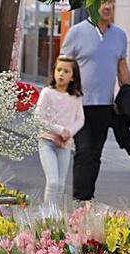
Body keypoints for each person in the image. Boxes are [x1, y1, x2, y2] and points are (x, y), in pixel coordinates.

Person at [60, 0, 129, 201]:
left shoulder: (119, 35)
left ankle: (88, 196)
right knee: (84, 151)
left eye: (110, 2)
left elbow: (122, 66)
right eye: (101, 2)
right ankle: (80, 199)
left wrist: (126, 96)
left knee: (96, 154)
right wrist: (61, 96)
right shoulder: (76, 32)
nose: (106, 6)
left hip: (105, 106)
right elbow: (62, 66)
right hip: (78, 104)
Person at [35, 57, 85, 206]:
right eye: (58, 70)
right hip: (47, 141)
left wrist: (69, 132)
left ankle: (54, 217)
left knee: (61, 185)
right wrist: (59, 130)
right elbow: (38, 116)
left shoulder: (75, 97)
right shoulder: (47, 93)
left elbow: (80, 119)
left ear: (73, 77)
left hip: (65, 144)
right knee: (53, 182)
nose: (61, 74)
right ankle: (47, 217)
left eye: (66, 71)